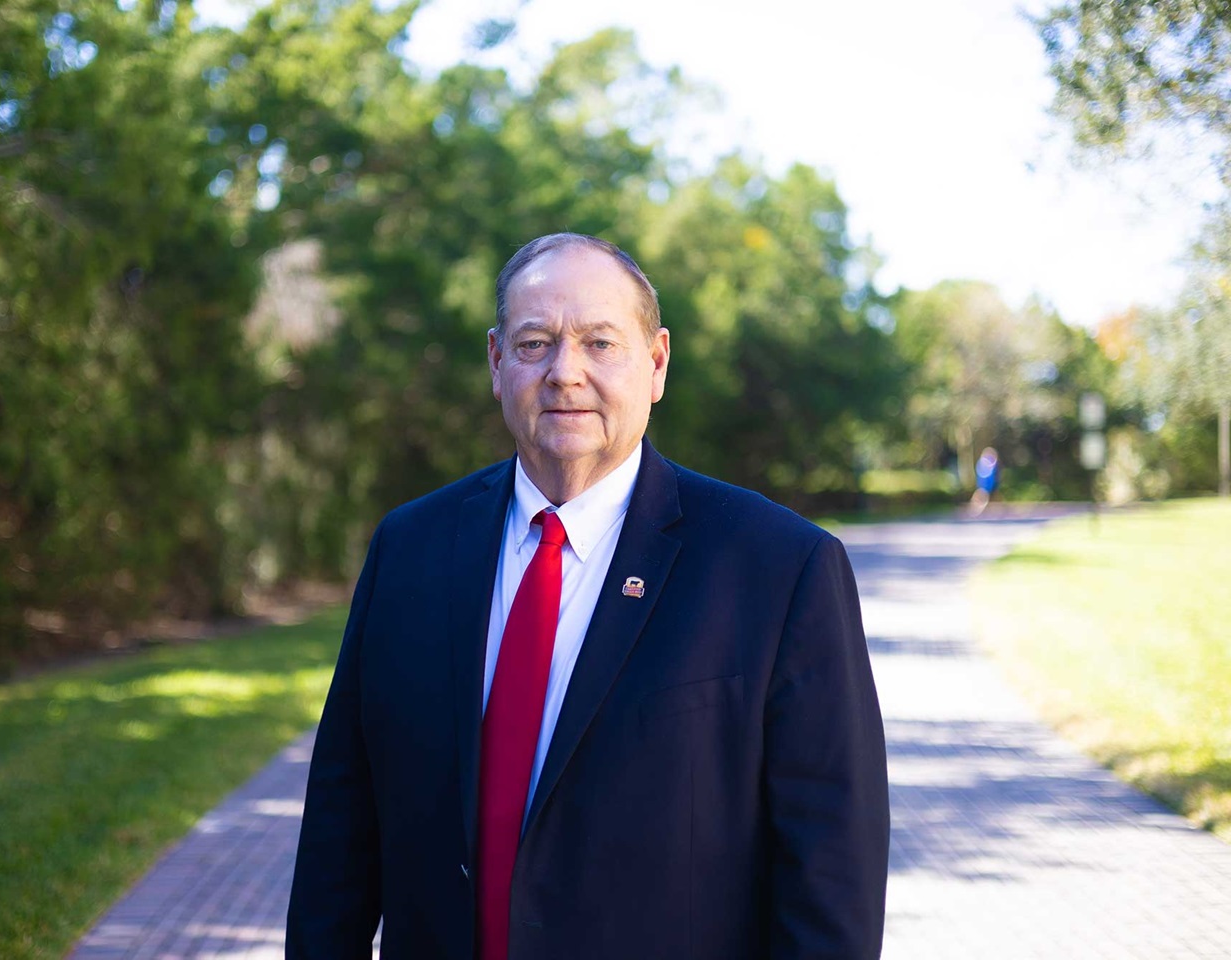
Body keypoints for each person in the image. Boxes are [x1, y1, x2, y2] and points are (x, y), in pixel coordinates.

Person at [286, 233, 889, 960]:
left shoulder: (779, 567)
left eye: (601, 344)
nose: (565, 373)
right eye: (535, 342)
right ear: (496, 361)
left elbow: (831, 876)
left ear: (657, 362)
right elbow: (339, 834)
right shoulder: (409, 549)